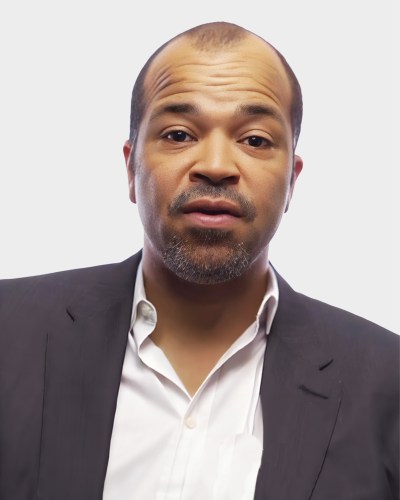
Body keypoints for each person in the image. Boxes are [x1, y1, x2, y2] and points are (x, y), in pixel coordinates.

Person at [0, 21, 398, 500]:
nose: (215, 165)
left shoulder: (385, 384)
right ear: (130, 168)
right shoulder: (10, 330)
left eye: (254, 140)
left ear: (292, 181)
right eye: (178, 133)